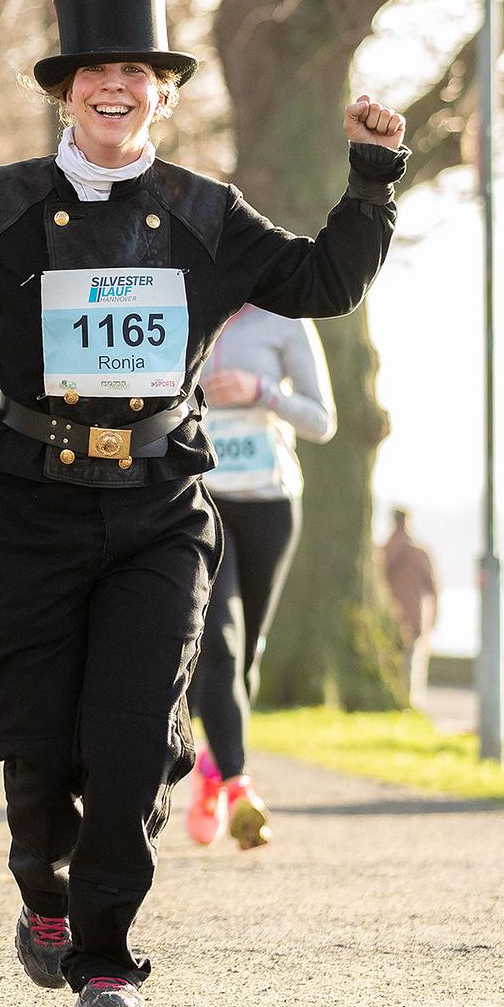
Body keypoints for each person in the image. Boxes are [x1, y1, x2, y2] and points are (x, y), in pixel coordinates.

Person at [0, 0, 406, 1007]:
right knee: (34, 742)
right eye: (94, 75)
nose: (115, 89)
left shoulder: (207, 214)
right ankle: (45, 890)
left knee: (132, 744)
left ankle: (108, 953)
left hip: (161, 507)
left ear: (161, 94)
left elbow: (321, 285)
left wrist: (374, 178)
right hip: (31, 504)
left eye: (136, 74)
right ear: (65, 94)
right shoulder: (0, 203)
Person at [184, 306, 335, 850]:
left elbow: (322, 421)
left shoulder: (285, 321)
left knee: (244, 656)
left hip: (271, 504)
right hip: (201, 502)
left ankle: (210, 774)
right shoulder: (184, 303)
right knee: (218, 639)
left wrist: (262, 389)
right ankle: (237, 786)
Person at [380, 507, 440, 699]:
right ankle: (409, 702)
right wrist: (434, 618)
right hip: (413, 618)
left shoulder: (382, 552)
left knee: (390, 663)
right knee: (411, 666)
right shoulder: (419, 554)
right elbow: (433, 589)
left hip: (388, 618)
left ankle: (395, 699)